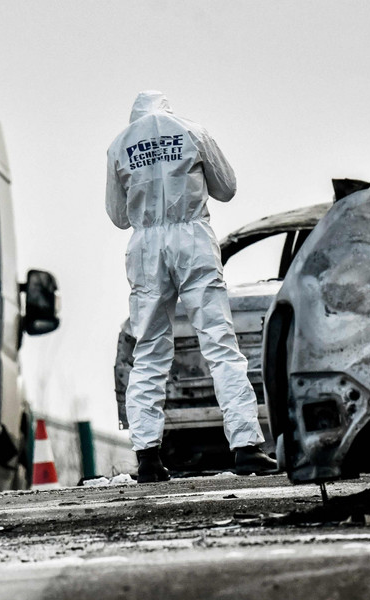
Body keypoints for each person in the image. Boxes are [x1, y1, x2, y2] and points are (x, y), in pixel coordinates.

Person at [106, 90, 277, 483]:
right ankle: (246, 447)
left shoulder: (119, 144)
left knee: (148, 349)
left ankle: (148, 456)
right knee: (219, 343)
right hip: (193, 239)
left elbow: (118, 216)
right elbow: (227, 188)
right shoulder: (192, 132)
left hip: (146, 245)